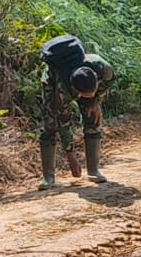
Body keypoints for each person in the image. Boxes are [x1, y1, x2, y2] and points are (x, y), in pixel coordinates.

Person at [39, 40, 116, 190]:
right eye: (86, 95)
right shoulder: (63, 91)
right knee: (50, 125)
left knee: (93, 116)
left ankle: (93, 171)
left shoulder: (102, 68)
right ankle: (48, 177)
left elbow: (110, 81)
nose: (91, 95)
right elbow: (64, 123)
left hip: (83, 80)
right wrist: (71, 157)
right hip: (52, 81)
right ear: (76, 92)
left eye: (93, 91)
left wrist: (96, 101)